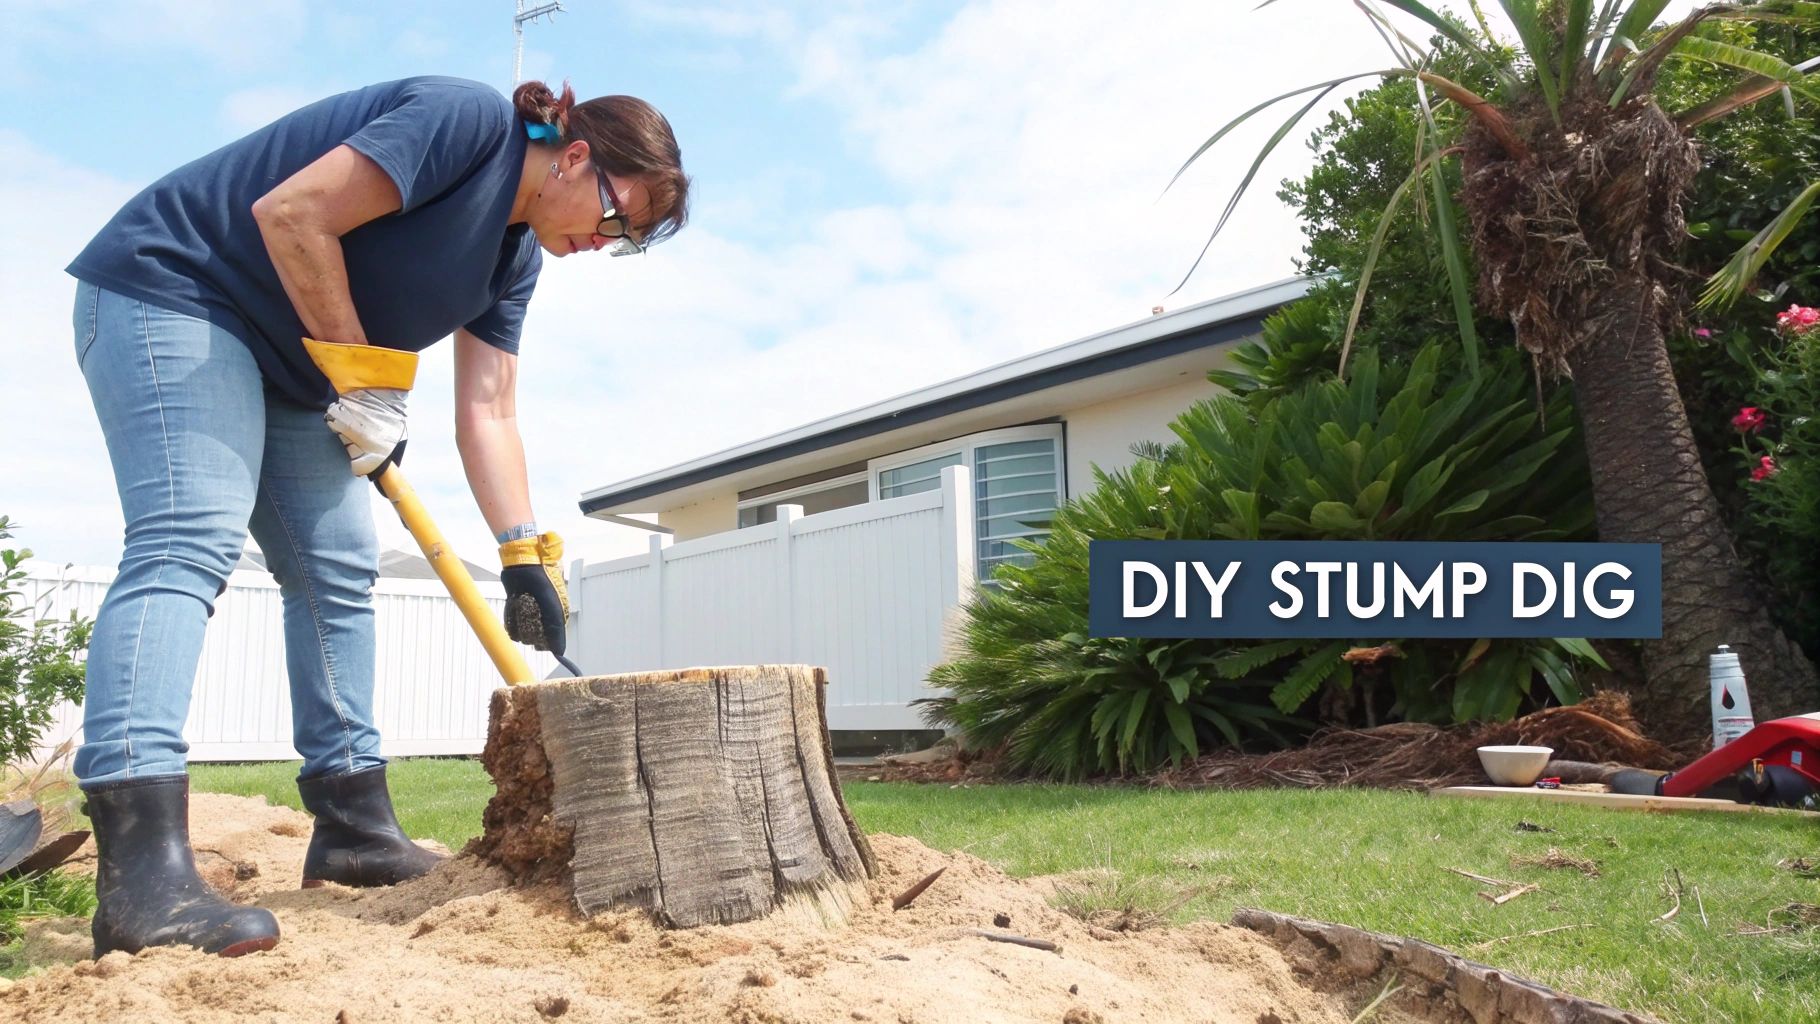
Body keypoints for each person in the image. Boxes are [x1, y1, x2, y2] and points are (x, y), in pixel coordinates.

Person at [65, 75, 689, 958]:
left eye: (627, 241)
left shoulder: (512, 262)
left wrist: (521, 554)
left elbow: (491, 409)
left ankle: (354, 828)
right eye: (619, 213)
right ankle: (139, 873)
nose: (608, 239)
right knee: (188, 536)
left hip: (292, 366)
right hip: (174, 290)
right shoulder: (464, 123)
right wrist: (365, 379)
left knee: (338, 569)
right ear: (579, 155)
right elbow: (293, 215)